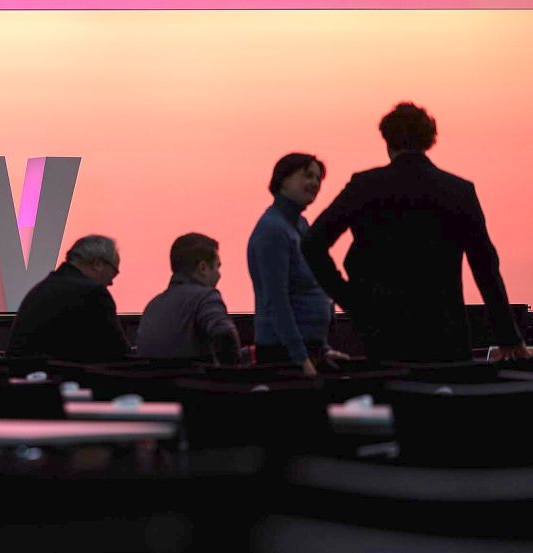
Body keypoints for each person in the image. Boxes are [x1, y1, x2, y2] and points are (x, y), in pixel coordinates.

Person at [302, 102, 528, 363]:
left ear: (387, 141)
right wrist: (507, 335)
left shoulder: (364, 186)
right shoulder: (459, 191)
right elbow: (485, 266)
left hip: (382, 330)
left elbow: (312, 243)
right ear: (429, 141)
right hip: (445, 331)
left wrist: (351, 300)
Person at [247, 153, 344, 376]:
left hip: (310, 350)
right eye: (307, 175)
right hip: (283, 354)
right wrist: (300, 358)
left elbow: (312, 287)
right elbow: (276, 299)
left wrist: (324, 349)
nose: (315, 183)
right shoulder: (273, 230)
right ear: (283, 180)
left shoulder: (300, 225)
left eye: (318, 178)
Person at [6, 235, 131, 361]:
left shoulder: (42, 288)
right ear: (97, 263)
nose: (111, 283)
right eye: (114, 273)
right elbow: (119, 352)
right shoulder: (93, 293)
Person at [136, 233, 240, 364]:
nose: (219, 275)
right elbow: (225, 335)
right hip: (196, 382)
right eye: (217, 266)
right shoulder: (205, 297)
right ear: (203, 268)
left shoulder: (152, 306)